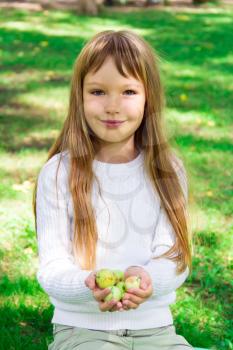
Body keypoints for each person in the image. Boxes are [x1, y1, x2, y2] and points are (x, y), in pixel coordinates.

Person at [33, 29, 194, 349]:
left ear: (149, 97)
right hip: (82, 331)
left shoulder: (168, 170)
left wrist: (147, 280)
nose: (113, 106)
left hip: (156, 330)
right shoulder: (58, 173)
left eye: (129, 92)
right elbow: (52, 268)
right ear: (79, 96)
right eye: (98, 92)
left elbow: (174, 257)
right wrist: (87, 284)